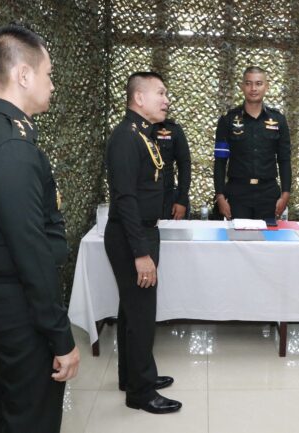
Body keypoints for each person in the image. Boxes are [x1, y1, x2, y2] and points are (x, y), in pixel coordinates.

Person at [0, 24, 79, 433]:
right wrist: (61, 337)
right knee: (31, 415)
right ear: (23, 75)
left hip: (0, 294)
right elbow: (30, 251)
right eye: (48, 74)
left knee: (9, 405)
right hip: (19, 302)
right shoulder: (11, 146)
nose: (52, 85)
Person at [104, 71, 182, 414]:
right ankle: (141, 392)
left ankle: (132, 375)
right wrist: (141, 253)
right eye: (160, 93)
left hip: (141, 231)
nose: (166, 100)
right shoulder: (126, 137)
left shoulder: (141, 134)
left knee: (131, 311)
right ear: (139, 98)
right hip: (131, 235)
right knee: (141, 315)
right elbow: (124, 198)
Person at [213, 66, 292, 220]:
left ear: (266, 86)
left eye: (258, 83)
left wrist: (285, 194)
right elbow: (220, 162)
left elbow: (284, 160)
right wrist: (220, 196)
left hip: (268, 194)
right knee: (237, 236)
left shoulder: (278, 120)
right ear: (242, 86)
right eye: (248, 83)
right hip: (237, 195)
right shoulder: (228, 120)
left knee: (268, 236)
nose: (253, 88)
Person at [154, 119, 191, 219]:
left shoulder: (173, 128)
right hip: (140, 196)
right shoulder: (134, 128)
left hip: (166, 197)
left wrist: (182, 200)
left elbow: (184, 164)